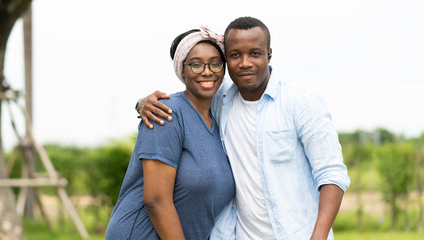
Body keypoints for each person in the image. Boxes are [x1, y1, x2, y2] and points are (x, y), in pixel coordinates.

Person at [138, 17, 350, 240]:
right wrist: (142, 103)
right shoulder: (220, 101)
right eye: (235, 55)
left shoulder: (301, 104)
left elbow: (332, 175)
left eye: (255, 53)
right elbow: (191, 91)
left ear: (269, 54)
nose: (245, 63)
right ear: (226, 59)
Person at [105, 26, 235, 240]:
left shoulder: (221, 117)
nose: (207, 71)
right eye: (196, 64)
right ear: (182, 70)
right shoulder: (166, 113)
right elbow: (156, 200)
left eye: (215, 63)